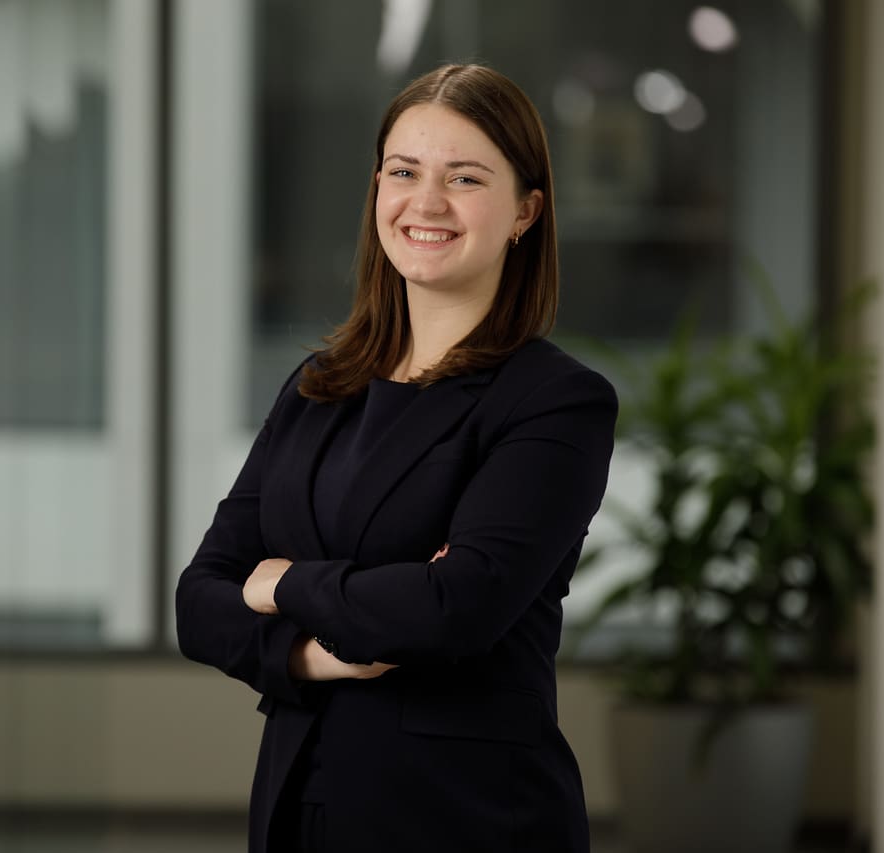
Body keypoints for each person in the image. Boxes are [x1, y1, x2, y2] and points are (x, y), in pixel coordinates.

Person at [175, 63, 617, 853]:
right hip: (296, 809)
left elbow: (455, 609)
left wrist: (283, 580)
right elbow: (201, 600)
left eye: (466, 178)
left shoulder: (555, 402)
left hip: (467, 822)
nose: (427, 203)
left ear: (526, 211)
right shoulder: (319, 387)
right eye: (404, 172)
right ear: (377, 188)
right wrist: (324, 654)